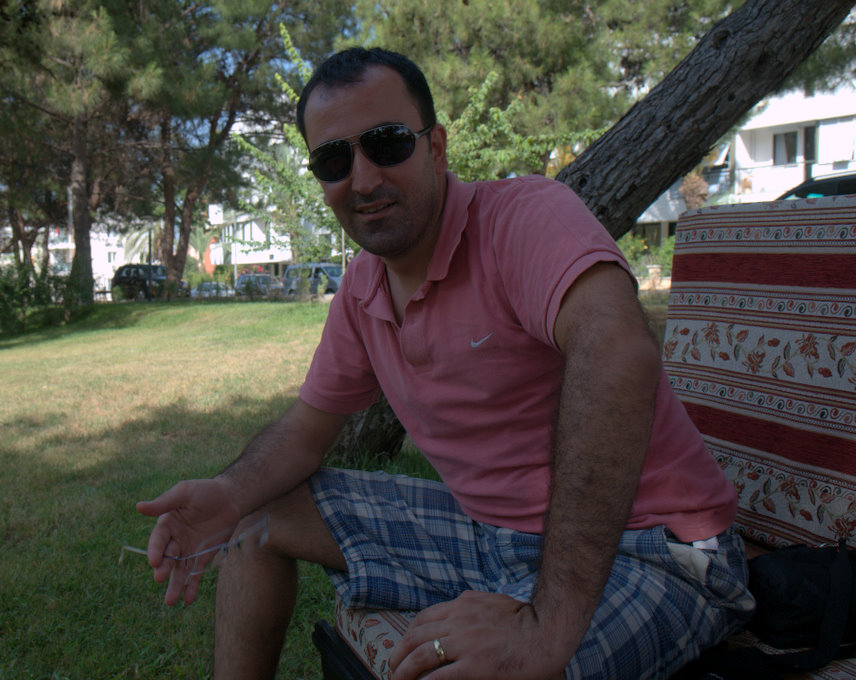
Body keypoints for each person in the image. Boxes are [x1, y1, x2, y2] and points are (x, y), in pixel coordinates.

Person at [137, 47, 754, 680]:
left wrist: (544, 627)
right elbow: (303, 432)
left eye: (387, 143)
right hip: (485, 534)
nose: (364, 179)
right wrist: (227, 492)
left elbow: (616, 351)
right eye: (334, 160)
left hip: (652, 548)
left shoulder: (523, 217)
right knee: (257, 518)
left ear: (436, 148)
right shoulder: (363, 289)